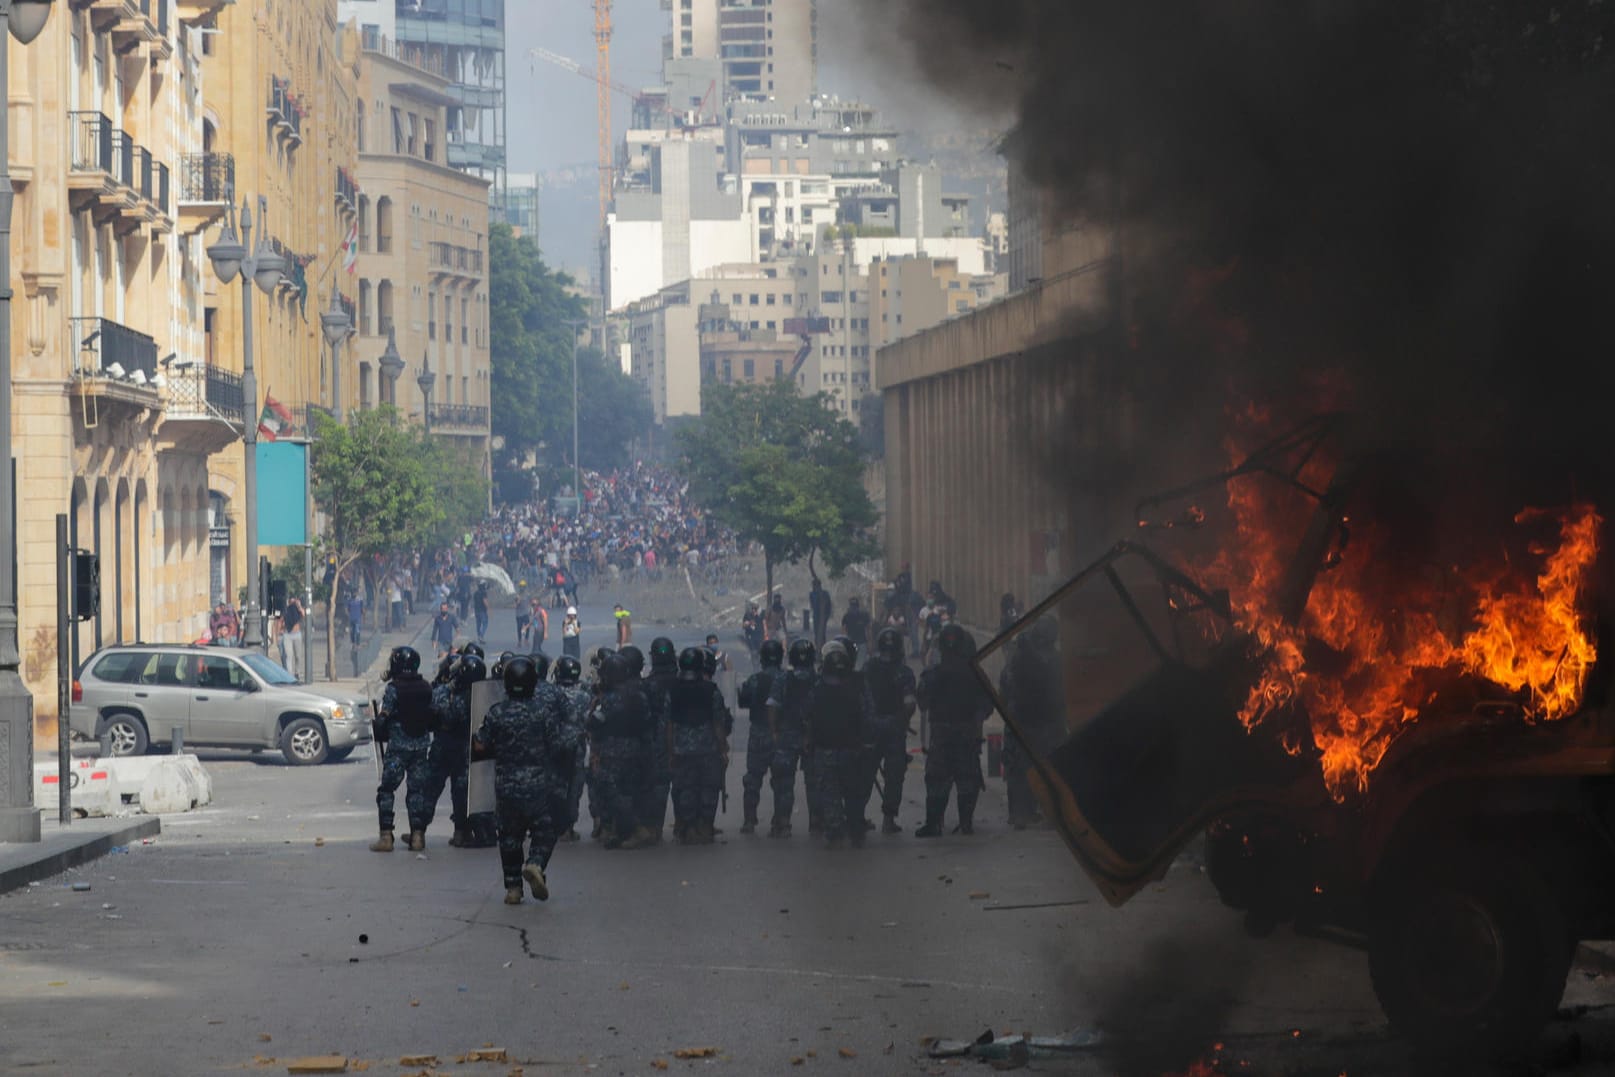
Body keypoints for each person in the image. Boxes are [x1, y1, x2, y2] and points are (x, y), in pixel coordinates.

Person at [472, 656, 581, 905]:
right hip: (538, 785)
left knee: (509, 837)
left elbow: (480, 745)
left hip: (506, 786)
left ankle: (513, 888)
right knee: (545, 830)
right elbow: (557, 745)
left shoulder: (496, 713)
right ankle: (535, 863)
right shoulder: (542, 713)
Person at [916, 625, 994, 837]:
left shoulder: (933, 673)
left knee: (936, 778)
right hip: (967, 731)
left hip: (941, 732)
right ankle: (966, 823)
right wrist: (976, 718)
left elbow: (922, 702)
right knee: (967, 777)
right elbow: (989, 702)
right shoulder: (975, 673)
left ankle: (933, 824)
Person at [803, 640, 874, 848]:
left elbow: (806, 716)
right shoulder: (856, 689)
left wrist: (808, 740)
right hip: (851, 750)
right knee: (853, 792)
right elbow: (867, 717)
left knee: (830, 793)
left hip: (825, 750)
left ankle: (835, 832)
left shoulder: (817, 689)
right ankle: (855, 831)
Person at [370, 646, 437, 853]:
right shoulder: (426, 687)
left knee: (387, 791)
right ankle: (417, 836)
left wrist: (378, 724)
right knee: (416, 792)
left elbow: (384, 717)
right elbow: (433, 715)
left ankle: (386, 837)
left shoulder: (394, 688)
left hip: (398, 748)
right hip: (420, 748)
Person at [587, 652, 656, 849]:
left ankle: (635, 829)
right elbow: (647, 723)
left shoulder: (607, 700)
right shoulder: (639, 696)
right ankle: (624, 832)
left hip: (612, 751)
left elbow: (593, 723)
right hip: (636, 750)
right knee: (631, 791)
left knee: (609, 792)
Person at [1000, 618, 1062, 829]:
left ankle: (1026, 812)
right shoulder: (1029, 661)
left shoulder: (1046, 660)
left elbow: (1005, 690)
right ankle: (1028, 812)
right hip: (1035, 722)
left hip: (1037, 722)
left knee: (1024, 769)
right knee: (1027, 769)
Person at [856, 627, 918, 835]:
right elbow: (909, 704)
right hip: (893, 731)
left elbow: (859, 698)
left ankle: (857, 818)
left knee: (865, 775)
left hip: (870, 730)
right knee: (894, 776)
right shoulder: (904, 673)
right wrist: (902, 721)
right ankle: (888, 820)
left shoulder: (867, 668)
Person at [667, 646, 729, 844]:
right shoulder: (711, 690)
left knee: (685, 788)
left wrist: (671, 751)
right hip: (708, 749)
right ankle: (705, 827)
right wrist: (723, 748)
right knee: (709, 789)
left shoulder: (673, 690)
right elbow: (718, 723)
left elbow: (669, 724)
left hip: (681, 749)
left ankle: (687, 827)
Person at [421, 652, 481, 846]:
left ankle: (418, 831)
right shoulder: (479, 696)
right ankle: (461, 832)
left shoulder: (447, 693)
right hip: (464, 748)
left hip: (444, 745)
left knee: (431, 789)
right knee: (461, 791)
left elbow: (435, 711)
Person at [764, 639, 817, 838]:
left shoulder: (782, 679)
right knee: (814, 783)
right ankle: (816, 823)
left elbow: (772, 705)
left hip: (787, 736)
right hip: (811, 737)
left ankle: (784, 824)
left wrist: (774, 731)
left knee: (784, 783)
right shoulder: (817, 679)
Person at [738, 639, 785, 835]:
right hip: (781, 736)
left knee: (753, 779)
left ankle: (749, 821)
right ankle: (781, 823)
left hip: (758, 734)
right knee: (782, 781)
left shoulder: (755, 679)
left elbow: (743, 701)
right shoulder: (786, 679)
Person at [639, 637, 679, 842]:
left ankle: (655, 828)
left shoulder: (646, 685)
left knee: (658, 786)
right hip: (683, 742)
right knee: (684, 785)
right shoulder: (683, 682)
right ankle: (688, 827)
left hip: (656, 743)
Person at [553, 654, 592, 841]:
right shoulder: (585, 696)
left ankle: (556, 826)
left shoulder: (551, 694)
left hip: (554, 750)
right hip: (577, 749)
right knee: (574, 788)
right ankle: (568, 827)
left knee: (556, 786)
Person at [279, 597, 305, 681]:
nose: (292, 604)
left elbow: (303, 615)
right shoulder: (286, 610)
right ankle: (289, 675)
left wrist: (299, 606)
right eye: (291, 602)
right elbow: (280, 620)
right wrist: (280, 631)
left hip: (297, 634)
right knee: (288, 656)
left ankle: (297, 672)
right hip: (287, 635)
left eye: (294, 602)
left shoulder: (298, 610)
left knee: (298, 656)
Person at [841, 597, 872, 663]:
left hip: (862, 642)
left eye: (855, 606)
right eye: (852, 606)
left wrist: (869, 642)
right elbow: (843, 629)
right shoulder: (846, 616)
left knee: (861, 660)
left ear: (858, 607)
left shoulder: (864, 615)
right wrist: (845, 640)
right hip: (850, 642)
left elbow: (868, 628)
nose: (854, 608)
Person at [809, 579, 834, 649]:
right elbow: (812, 605)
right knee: (816, 632)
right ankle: (817, 647)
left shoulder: (825, 593)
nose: (813, 587)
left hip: (823, 616)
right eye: (813, 585)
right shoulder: (811, 594)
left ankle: (823, 646)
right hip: (816, 615)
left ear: (819, 585)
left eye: (815, 585)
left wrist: (827, 615)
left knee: (822, 631)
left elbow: (829, 605)